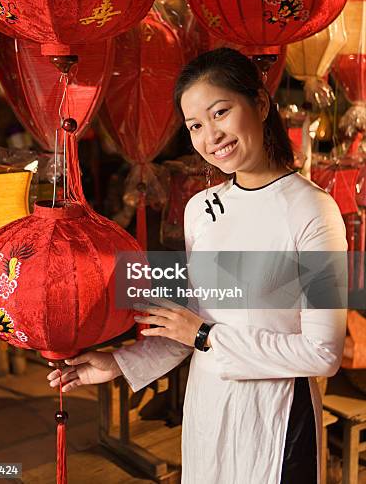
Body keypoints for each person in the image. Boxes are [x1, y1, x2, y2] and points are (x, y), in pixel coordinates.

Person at [47, 48, 347, 484]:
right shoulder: (199, 209)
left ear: (261, 104)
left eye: (220, 112)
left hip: (276, 420)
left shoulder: (313, 211)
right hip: (209, 409)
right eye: (195, 126)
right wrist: (119, 364)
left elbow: (322, 354)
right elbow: (192, 328)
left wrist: (204, 335)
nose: (211, 136)